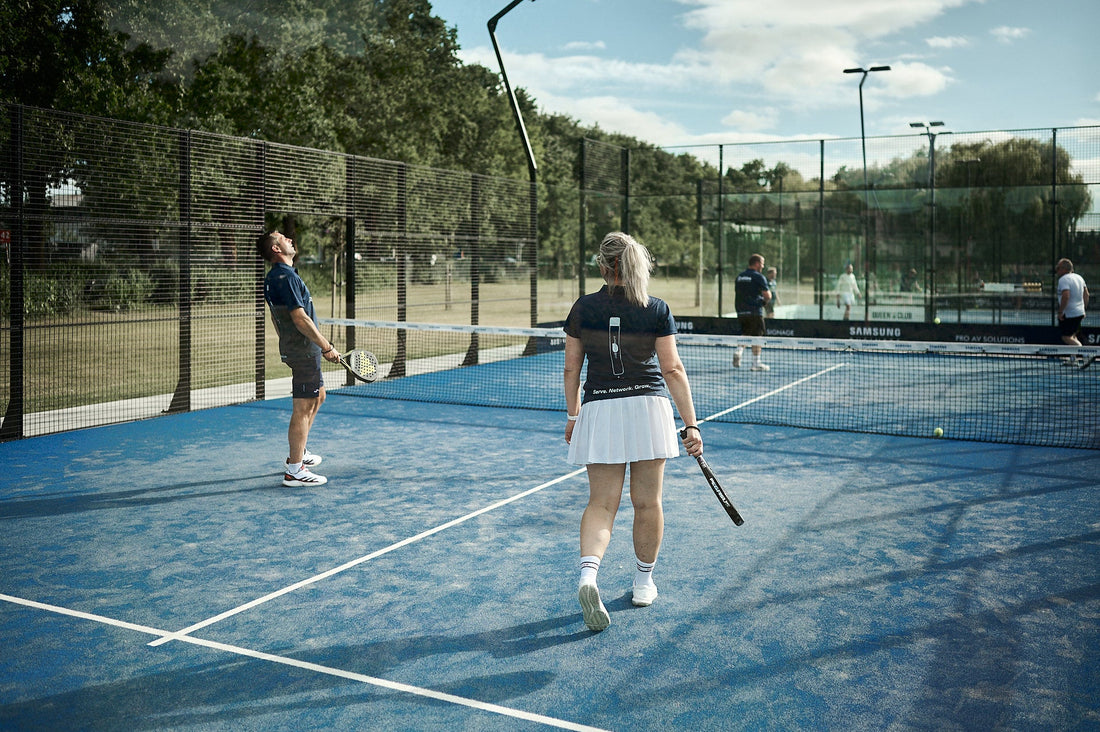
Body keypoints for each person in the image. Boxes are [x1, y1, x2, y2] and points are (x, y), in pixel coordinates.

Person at [563, 231, 702, 632]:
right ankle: (643, 584)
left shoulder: (583, 308)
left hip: (600, 410)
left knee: (601, 505)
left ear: (604, 268)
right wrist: (691, 424)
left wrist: (573, 416)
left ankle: (589, 576)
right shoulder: (655, 307)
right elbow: (673, 370)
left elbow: (572, 368)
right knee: (648, 503)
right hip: (648, 410)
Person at [257, 230, 341, 487]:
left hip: (302, 349)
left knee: (319, 396)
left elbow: (276, 318)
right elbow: (300, 318)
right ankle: (295, 469)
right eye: (283, 238)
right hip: (305, 350)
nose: (290, 239)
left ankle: (299, 451)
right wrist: (326, 346)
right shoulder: (285, 277)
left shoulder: (276, 277)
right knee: (303, 407)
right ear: (276, 249)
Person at [732, 253, 772, 371]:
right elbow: (767, 295)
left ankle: (738, 351)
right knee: (757, 337)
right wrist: (764, 302)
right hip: (755, 311)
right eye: (762, 264)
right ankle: (756, 363)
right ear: (757, 264)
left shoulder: (739, 277)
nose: (763, 266)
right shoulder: (758, 277)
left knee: (746, 332)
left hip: (741, 311)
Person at [1055, 258, 1089, 363]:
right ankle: (1073, 359)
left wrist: (1061, 312)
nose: (1057, 271)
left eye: (1058, 268)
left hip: (1069, 314)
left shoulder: (1063, 279)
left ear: (1064, 269)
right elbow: (1086, 294)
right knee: (1072, 336)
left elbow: (1066, 296)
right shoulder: (1079, 277)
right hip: (1079, 312)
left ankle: (1085, 353)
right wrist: (1083, 308)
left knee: (1066, 337)